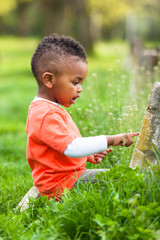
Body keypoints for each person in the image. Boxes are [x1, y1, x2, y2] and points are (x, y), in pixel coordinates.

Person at [17, 33, 139, 211]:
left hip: (64, 177)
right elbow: (71, 147)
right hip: (63, 183)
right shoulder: (45, 114)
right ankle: (46, 194)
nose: (80, 89)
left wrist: (87, 156)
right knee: (122, 179)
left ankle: (40, 192)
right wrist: (111, 139)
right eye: (75, 82)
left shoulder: (47, 109)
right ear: (49, 79)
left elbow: (58, 148)